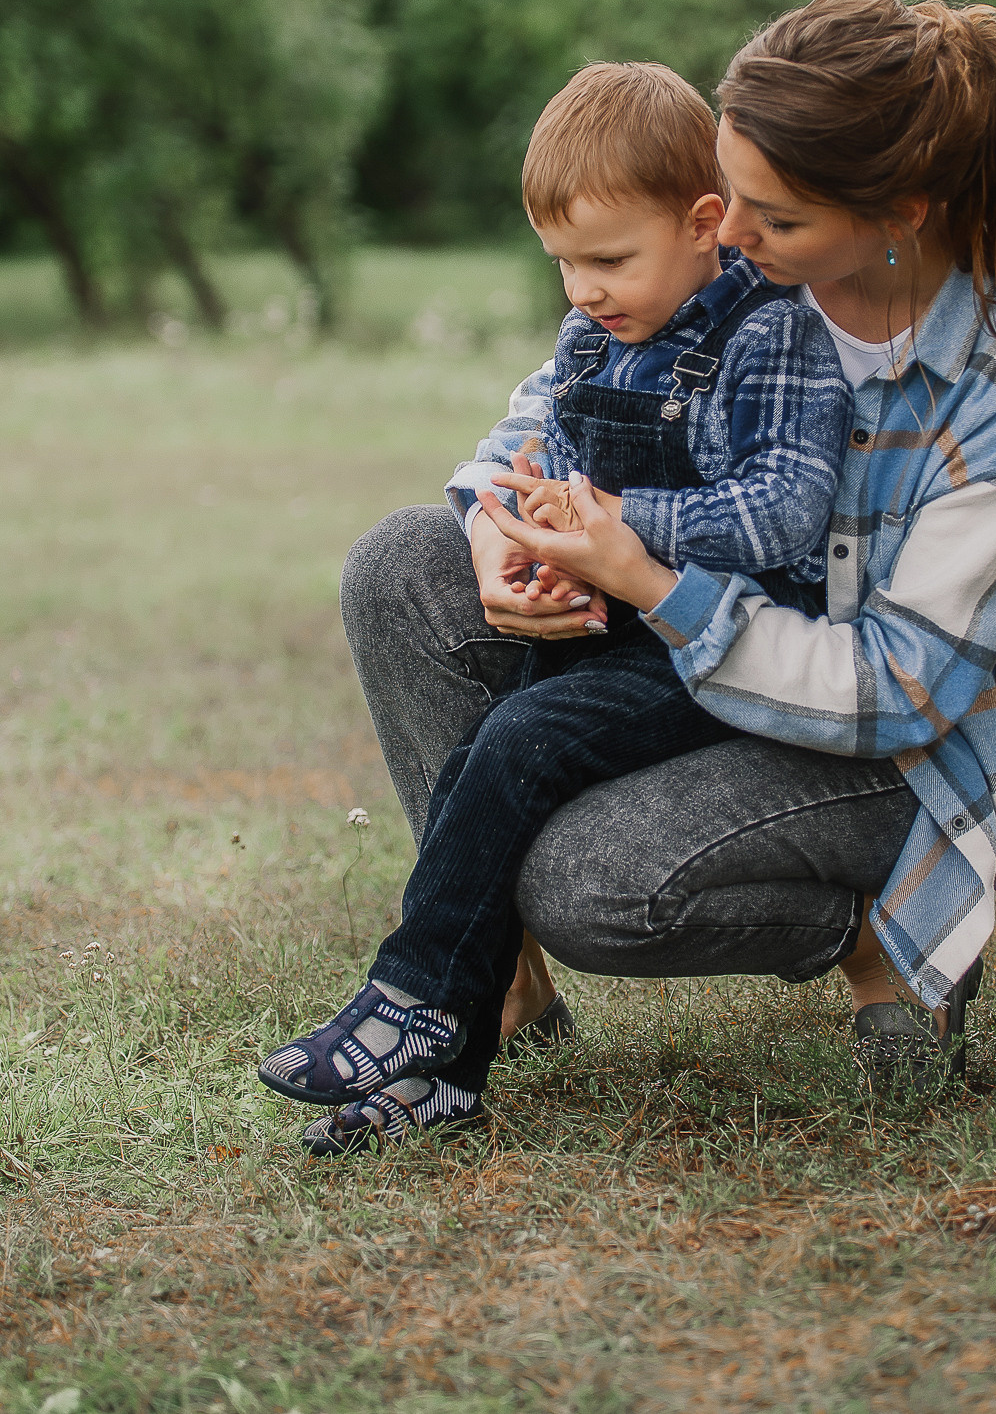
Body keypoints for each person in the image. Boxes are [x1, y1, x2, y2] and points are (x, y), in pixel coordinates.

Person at [307, 0, 996, 1153]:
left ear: (894, 214)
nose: (725, 237)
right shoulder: (757, 272)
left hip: (899, 739)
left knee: (591, 883)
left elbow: (897, 686)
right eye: (725, 200)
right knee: (401, 560)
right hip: (713, 639)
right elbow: (551, 407)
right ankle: (485, 977)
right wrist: (500, 528)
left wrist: (650, 578)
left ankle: (882, 939)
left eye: (765, 217)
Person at [259, 60, 851, 1153]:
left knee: (519, 738)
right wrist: (530, 538)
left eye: (608, 259)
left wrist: (617, 527)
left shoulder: (772, 335)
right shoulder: (595, 336)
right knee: (493, 745)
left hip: (713, 643)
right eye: (563, 263)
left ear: (704, 223)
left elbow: (785, 513)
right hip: (605, 621)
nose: (582, 288)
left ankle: (414, 997)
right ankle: (449, 1068)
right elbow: (533, 461)